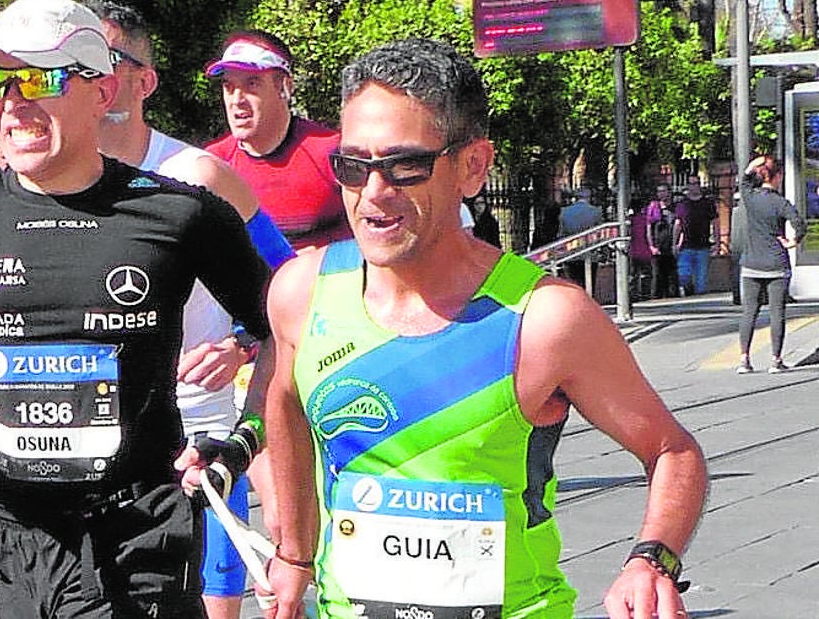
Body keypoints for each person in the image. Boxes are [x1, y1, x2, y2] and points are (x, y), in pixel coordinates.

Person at [261, 39, 707, 619]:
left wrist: (650, 562)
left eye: (405, 166)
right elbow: (286, 405)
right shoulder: (302, 293)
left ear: (472, 167)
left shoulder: (545, 319)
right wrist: (295, 556)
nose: (373, 193)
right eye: (352, 166)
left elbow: (673, 452)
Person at [0, 0, 273, 617]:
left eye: (38, 78)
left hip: (143, 525)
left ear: (102, 91)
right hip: (18, 533)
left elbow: (288, 332)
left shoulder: (179, 210)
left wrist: (242, 440)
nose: (12, 102)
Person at [87, 0, 293, 619]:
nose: (84, 76)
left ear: (143, 81)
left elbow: (285, 280)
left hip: (191, 428)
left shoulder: (193, 175)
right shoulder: (35, 179)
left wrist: (241, 342)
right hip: (82, 436)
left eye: (103, 60)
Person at [203, 30, 351, 250]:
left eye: (252, 84)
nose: (237, 100)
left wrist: (319, 259)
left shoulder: (332, 151)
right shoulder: (213, 164)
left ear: (285, 86)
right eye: (228, 87)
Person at [736, 156, 804, 374]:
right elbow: (799, 224)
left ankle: (744, 360)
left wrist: (756, 163)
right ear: (778, 177)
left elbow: (744, 180)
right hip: (776, 263)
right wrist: (792, 242)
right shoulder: (780, 202)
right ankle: (776, 359)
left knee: (749, 312)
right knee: (777, 313)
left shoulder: (750, 198)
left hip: (751, 263)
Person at [674, 175, 720, 296]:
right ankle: (688, 290)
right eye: (691, 184)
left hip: (703, 246)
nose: (693, 187)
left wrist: (717, 243)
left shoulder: (708, 203)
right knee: (683, 275)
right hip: (686, 245)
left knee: (701, 281)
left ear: (699, 185)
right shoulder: (682, 204)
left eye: (696, 184)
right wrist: (675, 243)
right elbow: (678, 225)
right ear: (688, 186)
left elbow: (715, 224)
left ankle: (700, 304)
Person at [559, 187, 604, 294]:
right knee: (589, 284)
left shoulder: (564, 212)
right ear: (589, 197)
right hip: (590, 252)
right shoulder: (596, 211)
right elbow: (600, 233)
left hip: (571, 253)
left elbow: (562, 233)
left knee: (574, 284)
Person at [645, 183, 679, 298]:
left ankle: (672, 297)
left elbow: (679, 226)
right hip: (658, 247)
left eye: (664, 191)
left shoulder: (675, 208)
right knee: (657, 274)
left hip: (671, 246)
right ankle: (656, 297)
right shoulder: (654, 208)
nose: (661, 194)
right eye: (659, 191)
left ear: (669, 192)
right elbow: (649, 227)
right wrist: (651, 246)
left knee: (672, 275)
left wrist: (677, 244)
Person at [729, 190, 746, 305]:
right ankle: (737, 294)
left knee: (737, 267)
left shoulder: (735, 211)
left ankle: (737, 295)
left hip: (737, 241)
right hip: (744, 241)